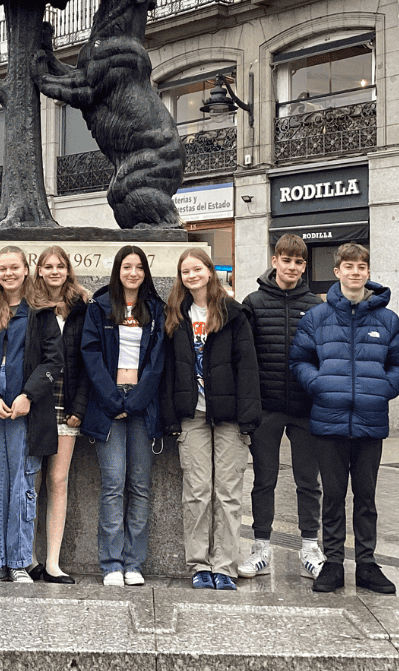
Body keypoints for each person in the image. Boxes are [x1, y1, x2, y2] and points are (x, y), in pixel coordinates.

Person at [290, 243, 399, 595]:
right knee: (332, 495)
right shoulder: (317, 316)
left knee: (366, 496)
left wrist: (382, 390)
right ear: (338, 271)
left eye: (362, 267)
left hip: (370, 422)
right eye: (349, 266)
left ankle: (367, 563)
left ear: (368, 273)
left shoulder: (387, 320)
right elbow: (300, 360)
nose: (356, 272)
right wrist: (321, 385)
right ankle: (333, 563)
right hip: (328, 420)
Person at [0, 245, 62, 583]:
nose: (8, 274)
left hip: (25, 413)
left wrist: (29, 395)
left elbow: (52, 360)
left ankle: (18, 563)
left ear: (25, 269)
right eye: (2, 268)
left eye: (14, 267)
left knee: (21, 486)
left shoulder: (41, 312)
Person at [161, 248, 260, 591]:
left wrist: (249, 417)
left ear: (209, 271)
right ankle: (200, 564)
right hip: (193, 417)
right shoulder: (175, 314)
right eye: (185, 271)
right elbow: (169, 371)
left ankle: (225, 566)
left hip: (230, 417)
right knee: (198, 492)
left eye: (197, 269)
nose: (192, 275)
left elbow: (248, 367)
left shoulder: (233, 313)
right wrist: (171, 416)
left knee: (228, 493)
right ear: (181, 277)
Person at [240, 234, 325, 580]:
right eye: (286, 260)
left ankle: (309, 547)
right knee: (264, 480)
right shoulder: (254, 302)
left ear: (304, 267)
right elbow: (244, 359)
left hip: (306, 409)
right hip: (267, 408)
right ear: (274, 261)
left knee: (308, 481)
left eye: (299, 262)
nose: (292, 267)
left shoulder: (317, 306)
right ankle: (261, 547)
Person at [81, 245, 165, 587]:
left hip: (143, 406)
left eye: (139, 267)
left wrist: (138, 400)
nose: (132, 273)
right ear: (117, 271)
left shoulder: (156, 309)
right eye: (126, 267)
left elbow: (158, 361)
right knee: (114, 483)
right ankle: (111, 564)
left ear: (145, 273)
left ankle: (134, 563)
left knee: (140, 485)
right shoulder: (100, 307)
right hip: (108, 404)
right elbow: (90, 355)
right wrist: (113, 399)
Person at [29, 246, 91, 585]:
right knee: (32, 484)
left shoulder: (82, 307)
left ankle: (53, 562)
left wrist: (79, 408)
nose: (54, 271)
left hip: (67, 407)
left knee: (58, 482)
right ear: (38, 271)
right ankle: (30, 559)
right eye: (48, 266)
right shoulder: (28, 306)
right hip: (37, 406)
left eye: (60, 266)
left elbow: (87, 361)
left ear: (68, 270)